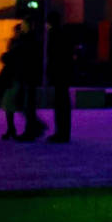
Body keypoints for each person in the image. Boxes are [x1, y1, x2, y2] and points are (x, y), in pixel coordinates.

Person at [46, 13, 75, 143]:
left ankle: (61, 133)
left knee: (60, 104)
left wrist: (49, 72)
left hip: (59, 73)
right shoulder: (65, 34)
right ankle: (64, 132)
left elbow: (52, 56)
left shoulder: (54, 35)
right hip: (64, 73)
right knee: (63, 103)